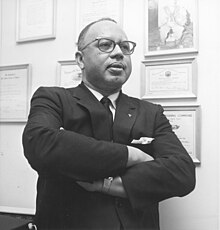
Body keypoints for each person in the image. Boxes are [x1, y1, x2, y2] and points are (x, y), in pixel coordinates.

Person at [22, 18, 196, 230]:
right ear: (80, 59)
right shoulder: (53, 99)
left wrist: (107, 185)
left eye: (125, 47)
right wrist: (133, 155)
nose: (118, 53)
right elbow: (41, 145)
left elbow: (182, 173)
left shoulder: (151, 113)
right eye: (105, 45)